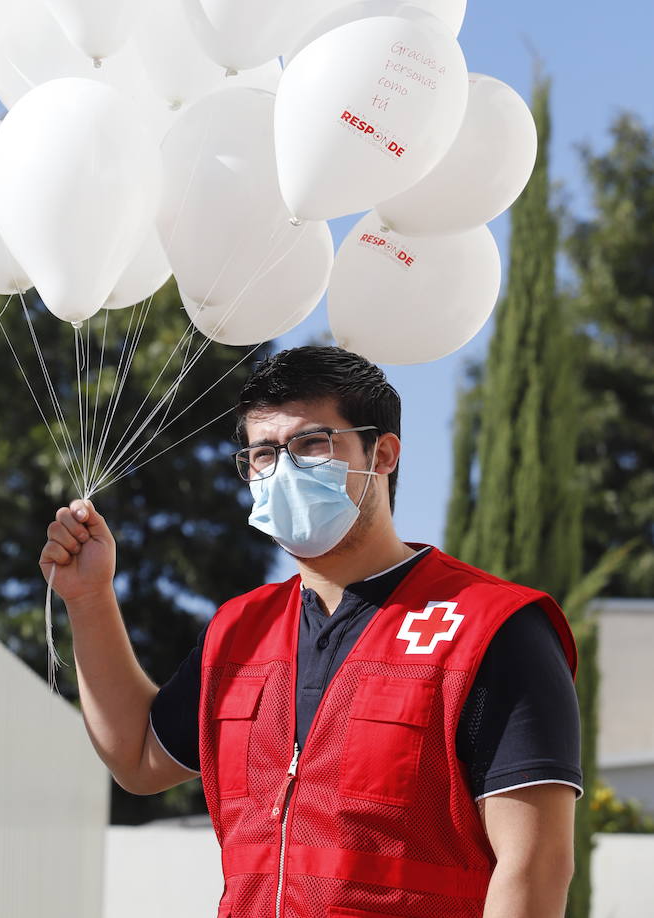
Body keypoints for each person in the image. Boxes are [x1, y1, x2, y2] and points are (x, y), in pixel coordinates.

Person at [40, 346, 582, 918]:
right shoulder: (238, 630)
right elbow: (139, 757)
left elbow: (535, 865)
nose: (284, 469)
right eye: (263, 453)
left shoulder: (491, 626)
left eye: (311, 444)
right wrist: (89, 597)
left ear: (384, 454)